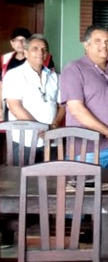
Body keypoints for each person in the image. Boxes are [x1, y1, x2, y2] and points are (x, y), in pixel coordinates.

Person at [60, 25, 108, 168]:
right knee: (85, 190)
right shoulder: (73, 69)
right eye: (98, 41)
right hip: (86, 150)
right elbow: (77, 110)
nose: (104, 45)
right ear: (86, 44)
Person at [3, 34, 64, 164]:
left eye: (44, 49)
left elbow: (63, 105)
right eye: (35, 48)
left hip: (51, 139)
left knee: (50, 180)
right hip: (24, 139)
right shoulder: (14, 75)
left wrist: (54, 125)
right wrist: (40, 127)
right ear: (25, 53)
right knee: (20, 180)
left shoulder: (54, 77)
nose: (40, 52)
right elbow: (14, 106)